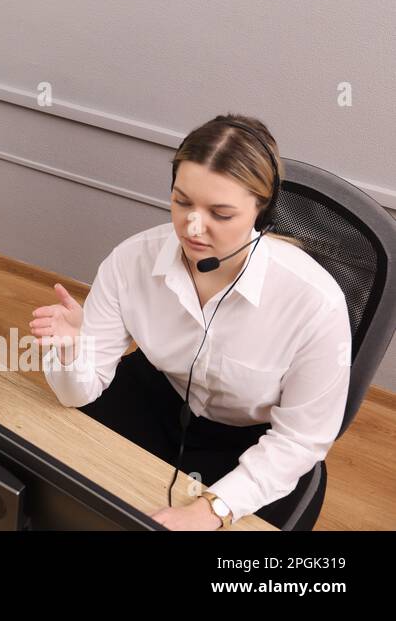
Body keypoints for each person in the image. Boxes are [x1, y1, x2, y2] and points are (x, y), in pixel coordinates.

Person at [30, 115, 351, 530]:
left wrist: (211, 510)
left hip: (252, 439)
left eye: (221, 213)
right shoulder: (132, 260)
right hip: (158, 397)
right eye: (182, 202)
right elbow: (79, 394)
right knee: (53, 499)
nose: (193, 227)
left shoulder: (315, 304)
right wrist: (75, 351)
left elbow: (300, 440)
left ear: (262, 211)